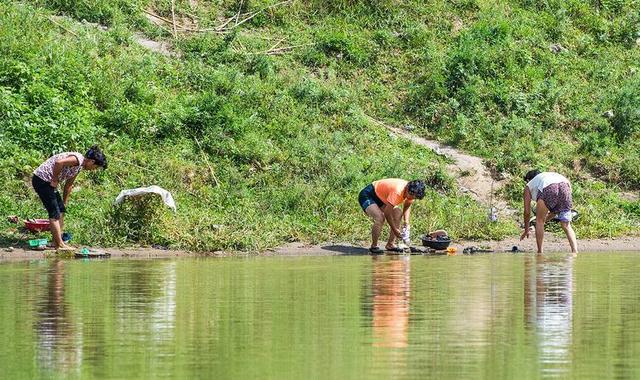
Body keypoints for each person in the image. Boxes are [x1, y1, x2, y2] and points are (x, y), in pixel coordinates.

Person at [32, 146, 107, 250]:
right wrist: (54, 179)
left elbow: (69, 185)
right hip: (42, 180)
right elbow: (59, 162)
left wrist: (64, 202)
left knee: (61, 210)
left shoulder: (79, 166)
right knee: (54, 213)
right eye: (96, 167)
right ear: (92, 161)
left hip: (49, 183)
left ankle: (56, 241)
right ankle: (60, 245)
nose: (93, 170)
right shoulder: (77, 159)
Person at [358, 178, 426, 254]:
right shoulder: (398, 191)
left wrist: (406, 222)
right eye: (411, 195)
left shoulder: (413, 192)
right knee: (380, 218)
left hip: (382, 198)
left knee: (398, 213)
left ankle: (390, 244)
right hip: (368, 195)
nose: (411, 198)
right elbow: (387, 213)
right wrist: (394, 229)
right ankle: (374, 246)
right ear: (407, 188)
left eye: (414, 197)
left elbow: (407, 206)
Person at [520, 170, 578, 254]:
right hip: (565, 186)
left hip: (548, 188)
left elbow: (527, 212)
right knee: (566, 225)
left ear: (528, 180)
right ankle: (575, 251)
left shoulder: (529, 185)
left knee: (539, 221)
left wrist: (526, 230)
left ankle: (540, 252)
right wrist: (543, 220)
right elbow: (554, 212)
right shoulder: (547, 176)